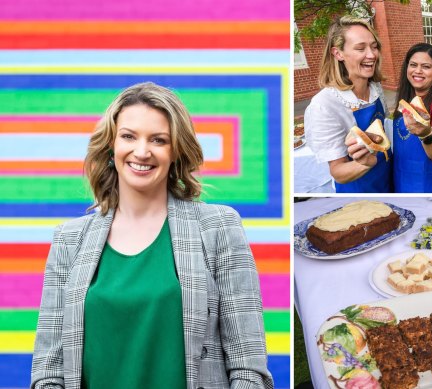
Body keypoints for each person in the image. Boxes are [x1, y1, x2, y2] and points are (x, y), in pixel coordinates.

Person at [31, 82, 273, 389]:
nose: (142, 151)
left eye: (158, 140)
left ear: (176, 152)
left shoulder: (218, 228)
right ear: (111, 146)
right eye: (129, 136)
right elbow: (48, 372)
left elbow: (249, 367)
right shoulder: (68, 240)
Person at [304, 16, 391, 193]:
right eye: (360, 48)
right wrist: (363, 164)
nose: (372, 54)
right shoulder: (324, 104)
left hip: (387, 177)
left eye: (374, 47)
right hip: (358, 189)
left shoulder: (375, 88)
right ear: (338, 54)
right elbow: (338, 171)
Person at [390, 43, 432, 192]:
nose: (418, 71)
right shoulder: (407, 96)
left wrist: (425, 134)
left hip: (431, 182)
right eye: (413, 65)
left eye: (426, 67)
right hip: (403, 178)